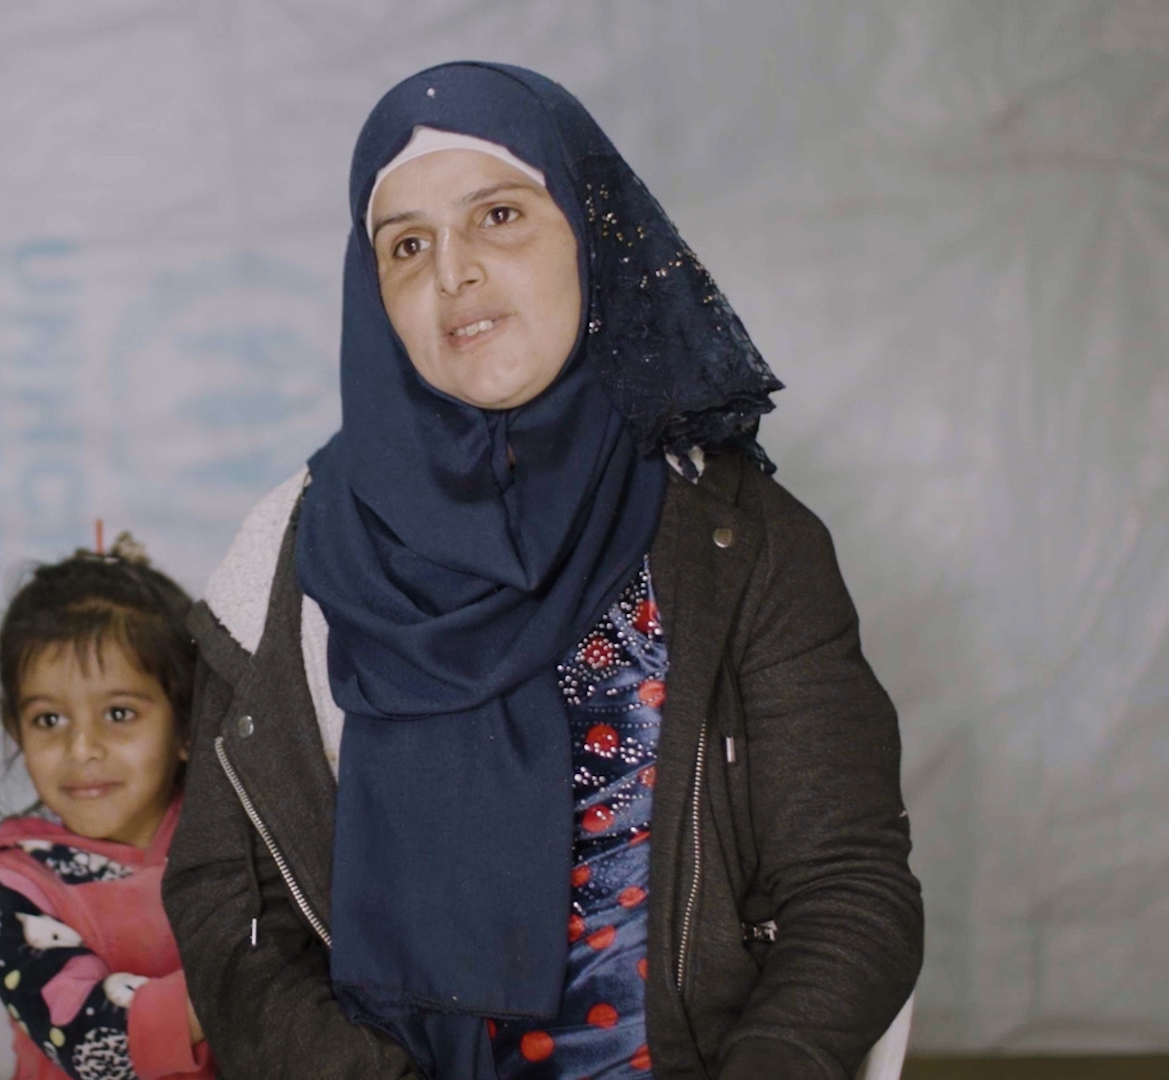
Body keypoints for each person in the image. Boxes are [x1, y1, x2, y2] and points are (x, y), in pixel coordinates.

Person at [161, 63, 922, 1080]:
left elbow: (848, 885)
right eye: (408, 245)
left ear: (592, 236)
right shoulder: (288, 556)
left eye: (501, 215)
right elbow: (229, 906)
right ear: (372, 291)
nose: (453, 273)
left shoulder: (741, 542)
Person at [0, 535, 215, 1080]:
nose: (81, 750)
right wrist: (252, 986)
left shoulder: (234, 842)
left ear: (187, 724)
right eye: (49, 719)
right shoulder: (7, 891)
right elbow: (93, 1043)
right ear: (15, 733)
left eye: (118, 713)